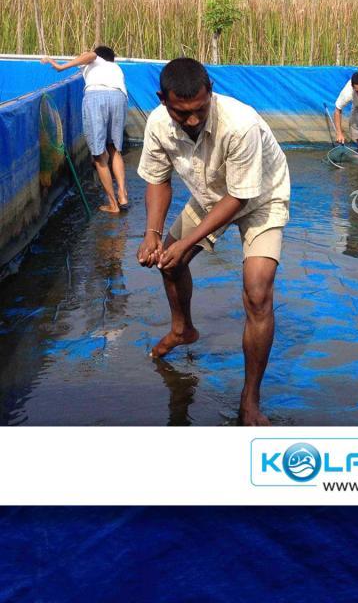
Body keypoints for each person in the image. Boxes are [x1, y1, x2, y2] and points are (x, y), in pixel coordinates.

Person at [136, 57, 290, 426]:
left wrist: (188, 239)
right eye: (181, 112)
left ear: (210, 93)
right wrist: (152, 234)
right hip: (209, 195)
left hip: (261, 197)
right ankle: (182, 329)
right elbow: (158, 179)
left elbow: (239, 198)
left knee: (257, 293)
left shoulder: (240, 124)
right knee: (168, 259)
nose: (191, 120)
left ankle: (249, 400)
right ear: (163, 99)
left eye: (199, 110)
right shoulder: (158, 123)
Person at [41, 46, 128, 213]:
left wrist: (60, 67)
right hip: (119, 97)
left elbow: (90, 55)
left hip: (96, 97)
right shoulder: (116, 68)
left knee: (98, 154)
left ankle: (113, 204)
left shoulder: (96, 59)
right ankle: (122, 193)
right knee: (114, 148)